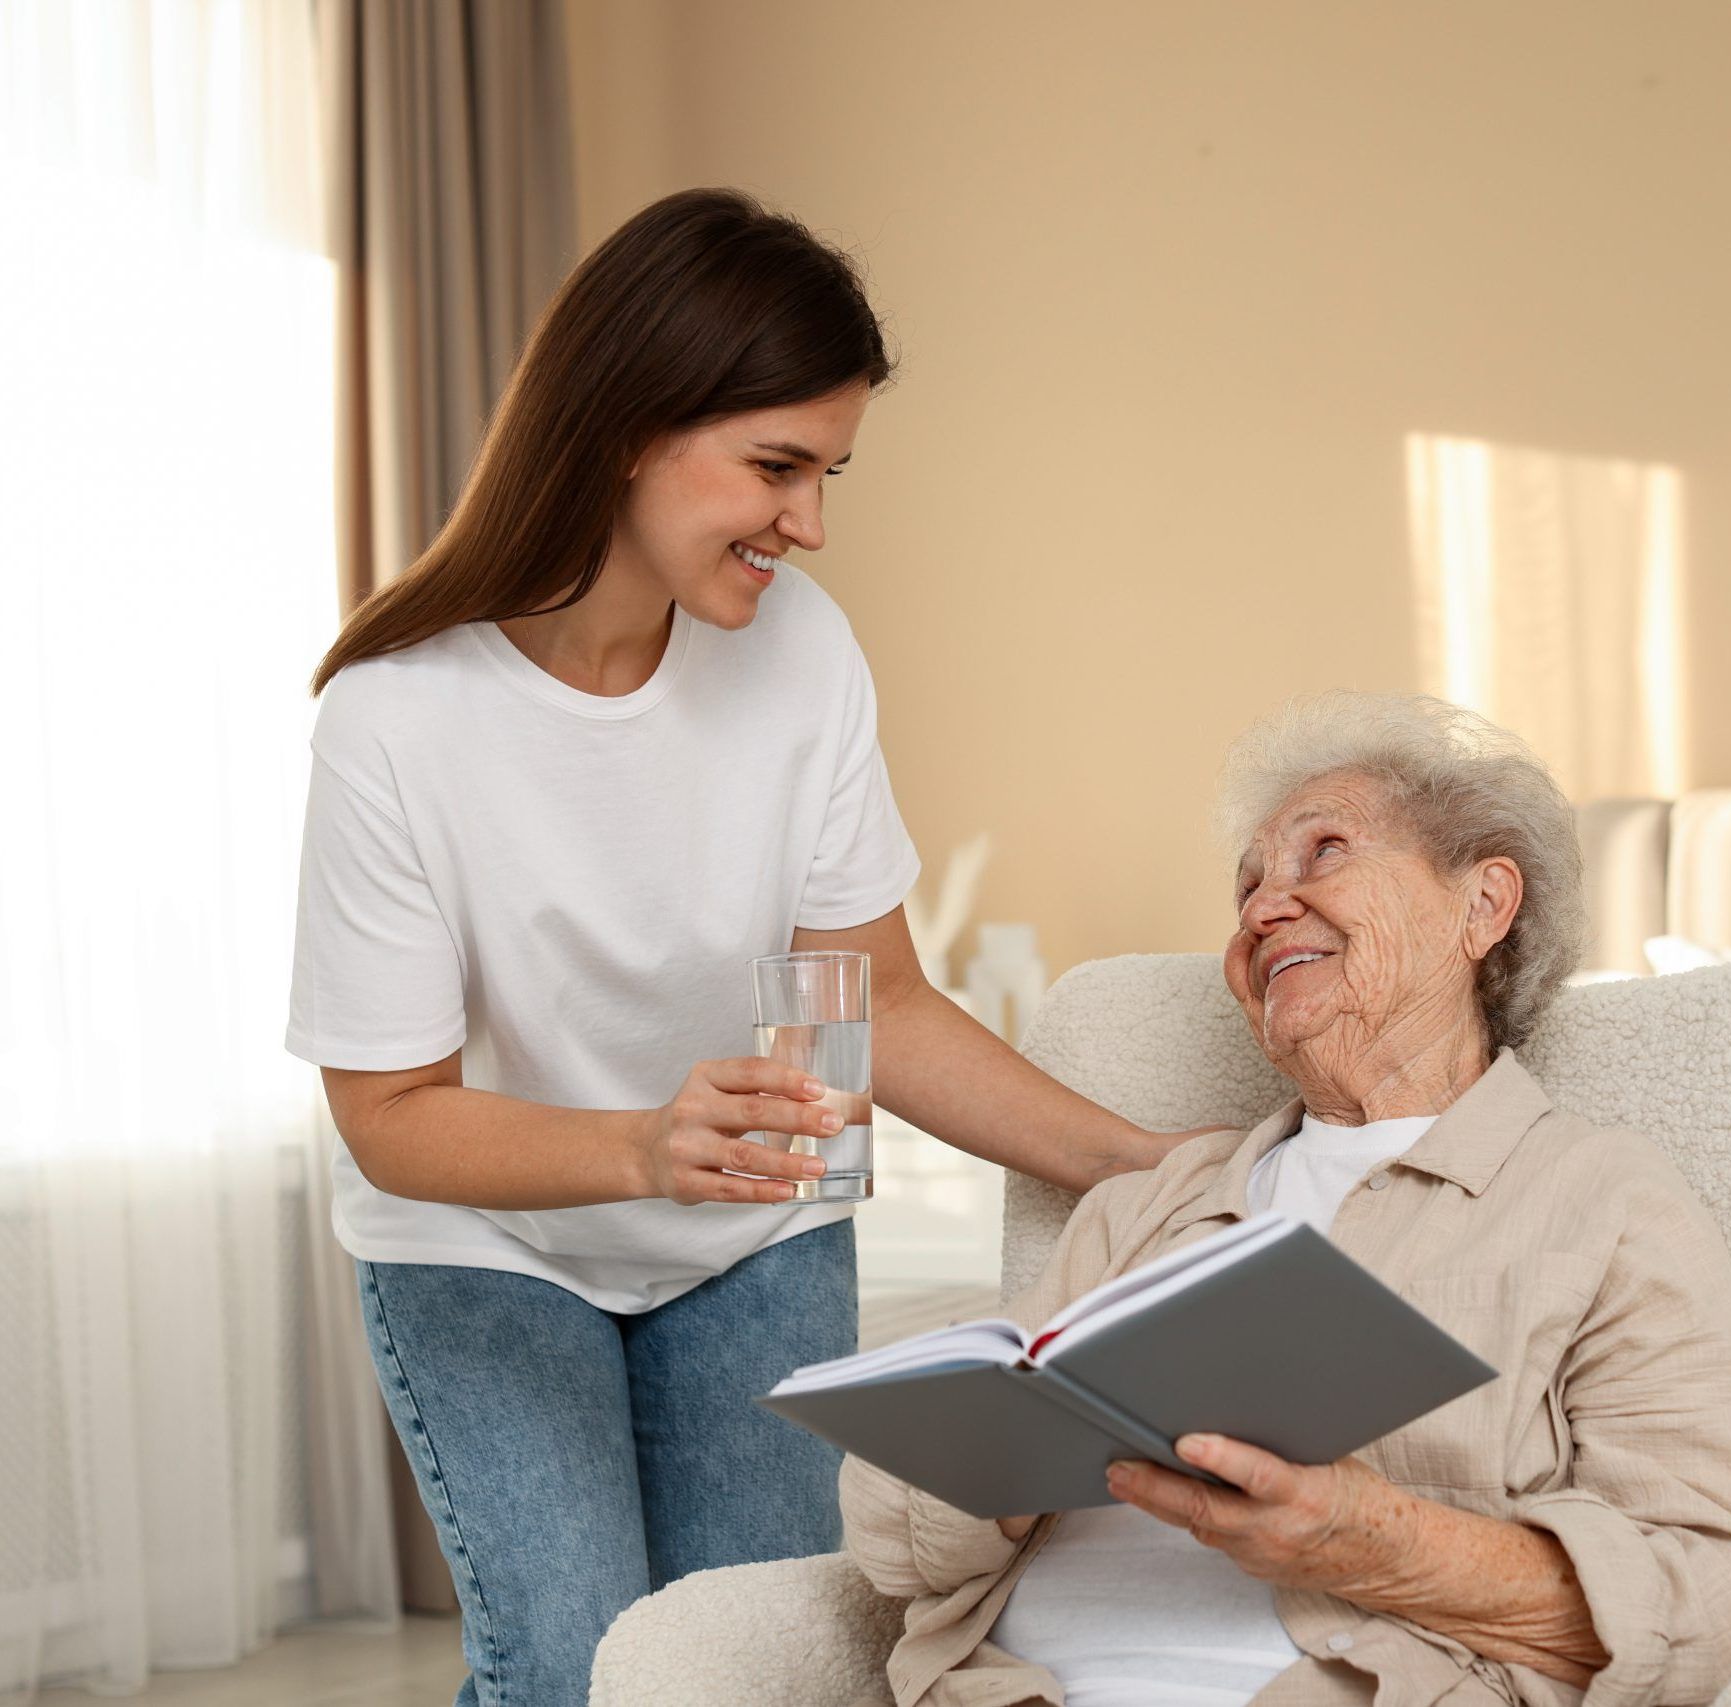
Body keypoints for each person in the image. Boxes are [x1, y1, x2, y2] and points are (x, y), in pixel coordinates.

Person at [287, 188, 1193, 1707]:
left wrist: (1139, 1159)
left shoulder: (803, 649)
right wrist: (646, 1143)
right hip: (487, 1239)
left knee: (757, 1664)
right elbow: (388, 1118)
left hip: (748, 1238)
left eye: (828, 471)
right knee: (572, 1667)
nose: (810, 521)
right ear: (630, 424)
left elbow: (878, 1001)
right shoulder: (396, 716)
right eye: (775, 466)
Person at [841, 690, 1731, 1707]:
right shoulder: (1153, 1205)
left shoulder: (1597, 1201)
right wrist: (1007, 1465)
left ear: (1482, 905)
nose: (1261, 910)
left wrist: (1377, 1544)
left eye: (1323, 854)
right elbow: (892, 1544)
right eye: (1246, 887)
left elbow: (1729, 1594)